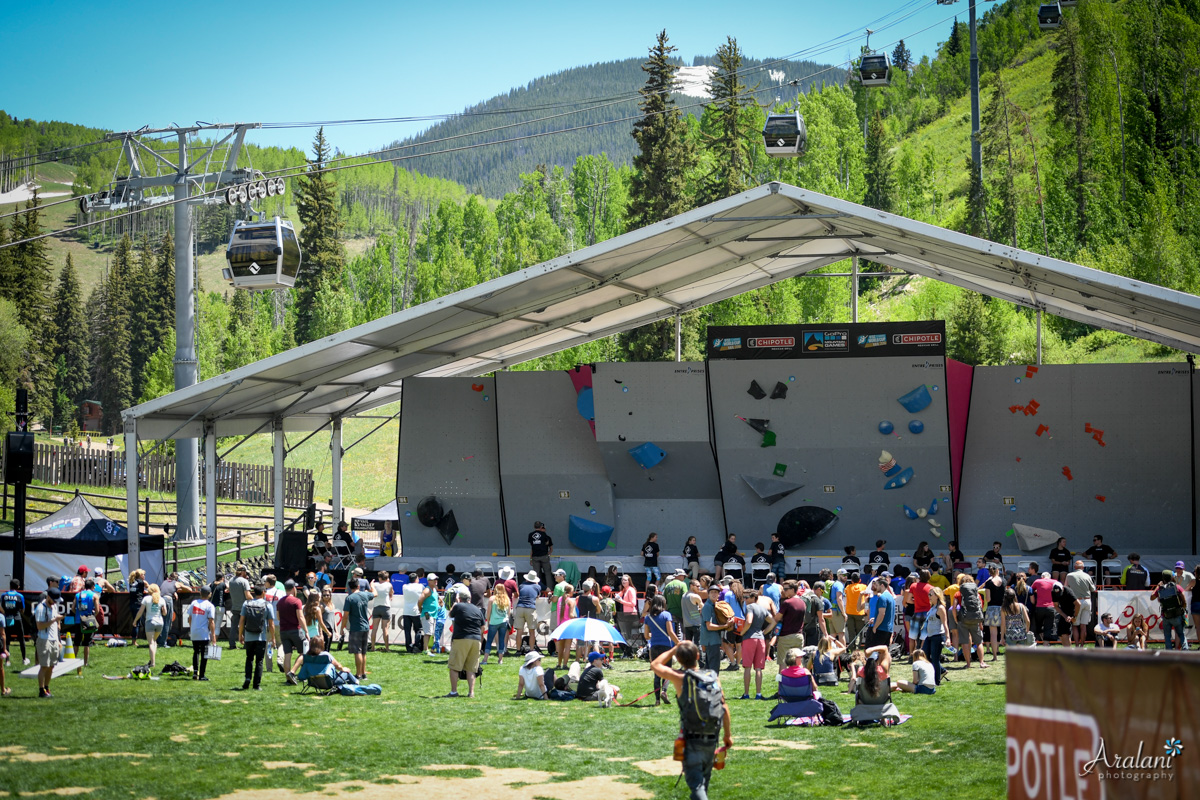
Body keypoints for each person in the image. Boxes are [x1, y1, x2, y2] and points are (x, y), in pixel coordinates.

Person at [650, 641, 733, 800]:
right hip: (711, 737)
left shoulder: (680, 678)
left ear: (679, 660)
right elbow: (724, 707)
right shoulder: (712, 677)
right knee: (704, 783)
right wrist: (727, 735)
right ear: (697, 656)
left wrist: (674, 649)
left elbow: (655, 664)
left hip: (692, 740)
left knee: (697, 786)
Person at [447, 587, 485, 698]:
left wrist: (454, 604)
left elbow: (450, 614)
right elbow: (483, 627)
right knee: (471, 668)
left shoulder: (458, 606)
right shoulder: (477, 609)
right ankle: (471, 692)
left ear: (459, 598)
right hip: (476, 640)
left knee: (454, 666)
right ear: (470, 598)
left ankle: (454, 691)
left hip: (462, 638)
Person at [644, 594, 681, 703]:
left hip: (654, 647)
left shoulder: (648, 617)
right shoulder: (666, 615)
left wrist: (654, 635)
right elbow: (670, 632)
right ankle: (664, 691)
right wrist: (678, 643)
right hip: (666, 647)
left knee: (657, 673)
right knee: (667, 670)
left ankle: (657, 700)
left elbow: (646, 635)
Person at [238, 584, 275, 690]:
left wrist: (240, 635)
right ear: (263, 592)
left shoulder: (246, 603)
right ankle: (256, 685)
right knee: (259, 661)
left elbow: (241, 621)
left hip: (249, 636)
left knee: (249, 659)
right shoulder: (268, 605)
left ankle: (248, 678)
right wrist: (273, 638)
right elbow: (271, 624)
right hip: (261, 637)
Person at [735, 589, 769, 700]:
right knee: (758, 668)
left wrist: (742, 632)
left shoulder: (749, 607)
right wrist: (764, 632)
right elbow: (773, 621)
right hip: (761, 639)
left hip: (749, 638)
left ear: (754, 598)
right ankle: (758, 694)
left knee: (747, 667)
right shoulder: (763, 609)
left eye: (747, 597)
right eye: (743, 597)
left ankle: (746, 694)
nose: (744, 600)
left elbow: (749, 621)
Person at [33, 589, 63, 698]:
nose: (55, 602)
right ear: (48, 597)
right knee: (44, 666)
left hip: (54, 639)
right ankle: (41, 690)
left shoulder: (54, 606)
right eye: (54, 599)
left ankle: (47, 687)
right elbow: (40, 626)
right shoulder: (41, 608)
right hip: (44, 640)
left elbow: (56, 616)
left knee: (51, 666)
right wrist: (55, 620)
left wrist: (58, 622)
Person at [342, 579, 373, 679]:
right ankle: (363, 673)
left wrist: (342, 627)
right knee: (364, 652)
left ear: (349, 587)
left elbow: (345, 615)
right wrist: (372, 585)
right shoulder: (365, 595)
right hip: (365, 626)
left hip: (356, 627)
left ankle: (358, 674)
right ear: (358, 586)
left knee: (357, 651)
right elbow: (375, 593)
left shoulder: (349, 598)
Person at [955, 573, 988, 667]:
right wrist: (981, 622)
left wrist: (956, 619)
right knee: (979, 642)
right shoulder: (976, 594)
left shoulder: (959, 593)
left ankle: (968, 663)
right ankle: (982, 662)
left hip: (963, 619)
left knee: (965, 642)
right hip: (976, 619)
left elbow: (954, 607)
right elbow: (980, 607)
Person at [1151, 570, 1189, 651]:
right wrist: (1182, 609)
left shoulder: (1160, 589)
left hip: (1166, 615)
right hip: (1177, 614)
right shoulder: (1177, 587)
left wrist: (1157, 586)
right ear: (1172, 577)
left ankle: (1169, 653)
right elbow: (1184, 600)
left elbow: (1152, 597)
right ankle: (1186, 651)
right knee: (1181, 634)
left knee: (1167, 635)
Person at [188, 585, 218, 682]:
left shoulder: (194, 603)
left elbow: (189, 618)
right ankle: (202, 675)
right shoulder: (210, 606)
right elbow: (211, 622)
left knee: (196, 651)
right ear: (210, 594)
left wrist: (192, 627)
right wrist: (213, 636)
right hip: (204, 633)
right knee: (205, 654)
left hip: (194, 631)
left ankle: (195, 672)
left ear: (200, 593)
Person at [921, 587, 948, 686]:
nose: (929, 597)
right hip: (929, 636)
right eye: (929, 594)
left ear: (937, 596)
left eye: (931, 595)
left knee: (935, 658)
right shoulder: (932, 607)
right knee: (924, 656)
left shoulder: (940, 608)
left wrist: (948, 638)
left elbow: (945, 624)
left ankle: (936, 681)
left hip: (937, 636)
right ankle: (942, 670)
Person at [1065, 560, 1096, 647]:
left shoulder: (1069, 575)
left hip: (1076, 601)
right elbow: (1093, 589)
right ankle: (1082, 646)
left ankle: (1077, 645)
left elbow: (1065, 588)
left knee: (1075, 625)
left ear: (1075, 567)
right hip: (1087, 601)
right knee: (1083, 626)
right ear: (1083, 567)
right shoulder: (1087, 576)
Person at [74, 578, 101, 672]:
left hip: (78, 620)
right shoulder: (94, 595)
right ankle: (85, 662)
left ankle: (73, 661)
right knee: (87, 642)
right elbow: (97, 610)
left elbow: (73, 608)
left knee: (76, 642)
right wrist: (92, 616)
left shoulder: (78, 595)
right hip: (88, 621)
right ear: (93, 586)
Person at [699, 585, 727, 671]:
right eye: (712, 592)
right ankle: (713, 684)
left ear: (719, 594)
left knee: (709, 668)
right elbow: (709, 626)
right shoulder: (707, 606)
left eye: (716, 592)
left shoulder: (713, 605)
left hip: (712, 640)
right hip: (711, 641)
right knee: (714, 668)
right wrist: (725, 626)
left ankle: (708, 684)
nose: (714, 594)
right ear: (708, 594)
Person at [512, 571, 541, 654]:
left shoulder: (521, 586)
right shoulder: (537, 586)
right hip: (530, 608)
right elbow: (537, 596)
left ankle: (518, 650)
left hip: (520, 607)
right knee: (532, 632)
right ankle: (531, 650)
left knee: (519, 631)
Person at [483, 584, 510, 665]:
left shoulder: (492, 599)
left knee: (489, 641)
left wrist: (488, 621)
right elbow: (508, 613)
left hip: (494, 622)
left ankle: (485, 660)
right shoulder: (507, 599)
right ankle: (500, 660)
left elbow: (489, 611)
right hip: (503, 621)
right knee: (501, 640)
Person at [2, 579, 27, 666]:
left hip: (7, 618)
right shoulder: (20, 596)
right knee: (21, 639)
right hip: (17, 618)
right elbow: (22, 609)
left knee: (7, 639)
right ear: (18, 586)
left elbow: (1, 607)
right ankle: (24, 659)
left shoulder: (3, 595)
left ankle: (7, 661)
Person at [226, 566, 252, 649]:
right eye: (246, 572)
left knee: (234, 627)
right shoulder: (244, 581)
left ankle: (232, 644)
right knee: (246, 626)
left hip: (235, 607)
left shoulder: (231, 581)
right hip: (244, 607)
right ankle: (246, 644)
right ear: (242, 572)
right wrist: (254, 599)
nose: (246, 574)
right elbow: (248, 596)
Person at [369, 571, 393, 653]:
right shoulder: (389, 585)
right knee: (385, 629)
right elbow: (391, 593)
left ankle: (372, 647)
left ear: (379, 577)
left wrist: (372, 584)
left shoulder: (375, 585)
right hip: (386, 607)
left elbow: (370, 590)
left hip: (376, 607)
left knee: (374, 628)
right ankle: (387, 647)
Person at [553, 583, 577, 668]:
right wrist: (578, 618)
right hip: (568, 625)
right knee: (567, 647)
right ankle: (565, 664)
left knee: (561, 647)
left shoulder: (560, 599)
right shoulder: (571, 601)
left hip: (560, 625)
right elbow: (570, 615)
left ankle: (559, 664)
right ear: (571, 592)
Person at [1030, 571, 1057, 644]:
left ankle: (1041, 638)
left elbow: (1030, 590)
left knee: (1038, 625)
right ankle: (1046, 644)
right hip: (1051, 607)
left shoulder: (1037, 581)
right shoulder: (1054, 582)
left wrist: (1037, 591)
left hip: (1040, 607)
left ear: (1042, 577)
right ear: (1050, 577)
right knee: (1049, 627)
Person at [1051, 583, 1080, 648]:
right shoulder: (1053, 592)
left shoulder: (1068, 591)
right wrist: (1065, 616)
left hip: (1072, 610)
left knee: (1064, 633)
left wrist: (1074, 616)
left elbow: (1078, 604)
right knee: (1061, 633)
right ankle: (1067, 650)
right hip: (1064, 611)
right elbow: (1056, 606)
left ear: (1063, 589)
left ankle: (1069, 652)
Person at [615, 574, 639, 654]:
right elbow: (618, 595)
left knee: (626, 634)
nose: (623, 581)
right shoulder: (625, 590)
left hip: (631, 614)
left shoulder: (631, 590)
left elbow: (633, 603)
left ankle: (629, 652)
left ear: (629, 581)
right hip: (626, 615)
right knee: (624, 633)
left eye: (625, 580)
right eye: (622, 580)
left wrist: (621, 601)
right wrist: (618, 596)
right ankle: (628, 651)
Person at [401, 573, 424, 653]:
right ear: (416, 579)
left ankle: (409, 647)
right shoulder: (420, 586)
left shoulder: (404, 586)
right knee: (418, 630)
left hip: (406, 611)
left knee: (407, 631)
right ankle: (417, 645)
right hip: (416, 611)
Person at [844, 572, 869, 645]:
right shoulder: (864, 587)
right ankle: (857, 648)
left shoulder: (848, 587)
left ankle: (851, 647)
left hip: (849, 612)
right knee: (859, 632)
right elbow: (867, 597)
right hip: (860, 613)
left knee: (851, 632)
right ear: (860, 580)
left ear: (851, 580)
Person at [528, 521, 554, 590]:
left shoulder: (530, 535)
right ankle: (549, 589)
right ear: (541, 527)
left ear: (534, 527)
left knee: (536, 574)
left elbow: (532, 546)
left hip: (535, 556)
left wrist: (530, 559)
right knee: (547, 573)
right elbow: (547, 543)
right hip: (544, 556)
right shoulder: (544, 534)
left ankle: (537, 588)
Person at [662, 569, 688, 637]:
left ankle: (674, 645)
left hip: (671, 612)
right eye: (683, 576)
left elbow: (664, 600)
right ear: (680, 576)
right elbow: (685, 597)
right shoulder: (683, 584)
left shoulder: (667, 586)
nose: (684, 578)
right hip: (681, 612)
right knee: (685, 632)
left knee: (673, 631)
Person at [128, 569, 147, 645]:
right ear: (140, 575)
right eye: (143, 575)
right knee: (136, 623)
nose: (144, 576)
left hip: (132, 604)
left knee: (135, 622)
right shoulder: (142, 582)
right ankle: (134, 641)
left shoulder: (132, 581)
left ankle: (134, 640)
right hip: (138, 604)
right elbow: (150, 588)